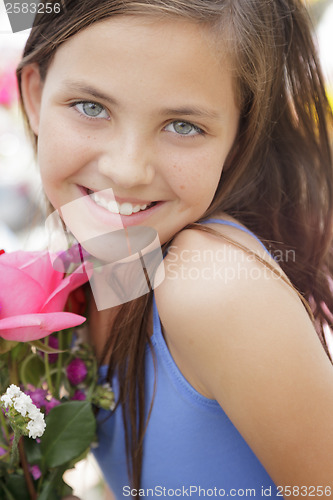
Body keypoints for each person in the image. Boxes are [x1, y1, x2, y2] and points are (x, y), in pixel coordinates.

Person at [16, 0, 333, 498]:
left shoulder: (210, 286)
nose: (127, 170)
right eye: (91, 107)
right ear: (34, 97)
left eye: (183, 126)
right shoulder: (115, 262)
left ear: (239, 137)